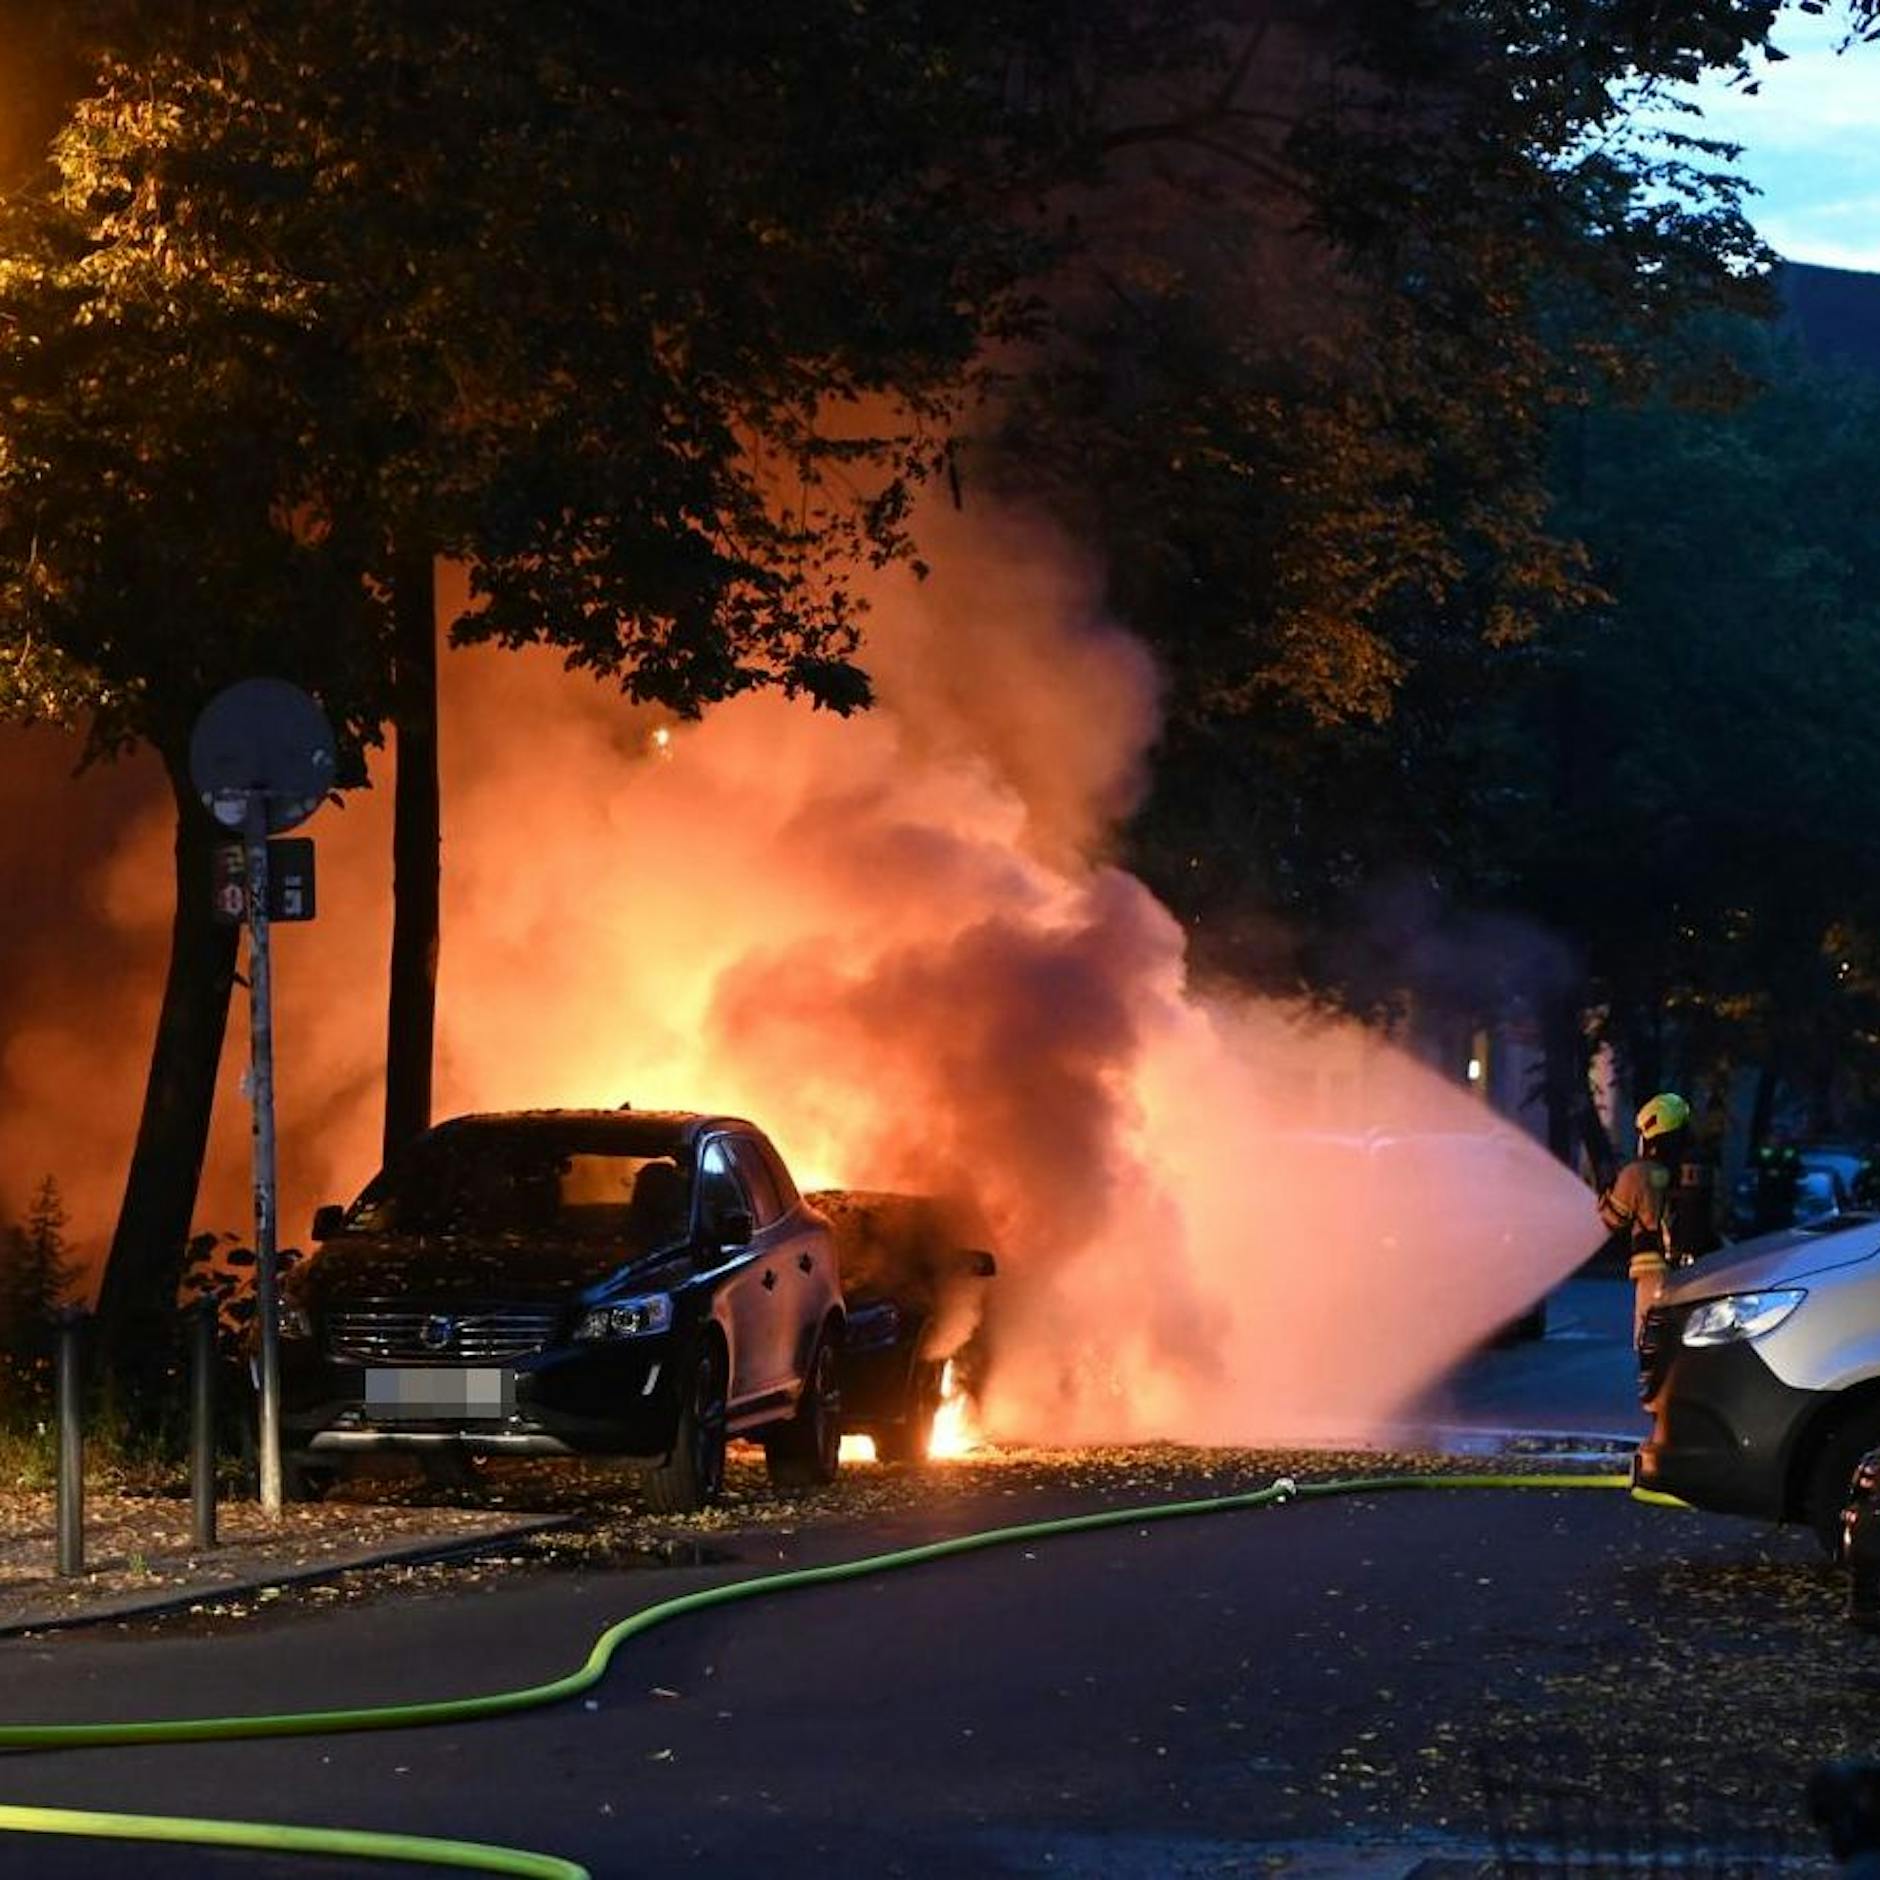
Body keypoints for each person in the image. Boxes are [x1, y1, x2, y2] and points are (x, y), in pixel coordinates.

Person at [1599, 1090, 1704, 1345]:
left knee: (1650, 1342)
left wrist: (1606, 1192)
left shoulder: (1637, 1173)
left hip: (1653, 1273)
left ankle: (1655, 1384)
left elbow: (1613, 1220)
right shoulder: (1702, 1170)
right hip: (1700, 1271)